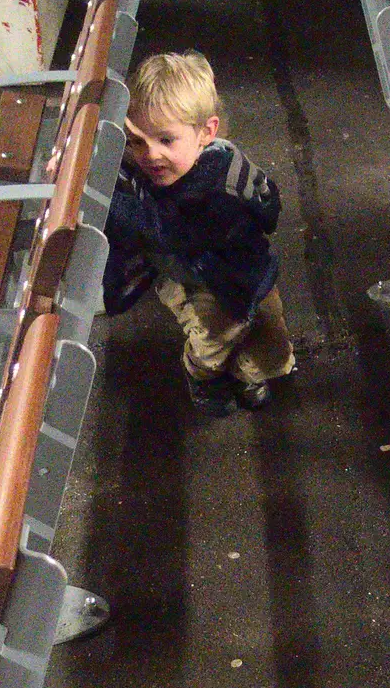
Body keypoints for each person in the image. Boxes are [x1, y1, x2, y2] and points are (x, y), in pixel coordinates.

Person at [102, 51, 294, 416]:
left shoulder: (220, 187)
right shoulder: (147, 168)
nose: (150, 155)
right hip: (189, 277)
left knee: (270, 344)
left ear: (206, 132)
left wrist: (110, 200)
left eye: (166, 140)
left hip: (242, 275)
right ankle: (205, 380)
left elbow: (172, 232)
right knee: (213, 339)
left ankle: (247, 375)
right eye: (136, 140)